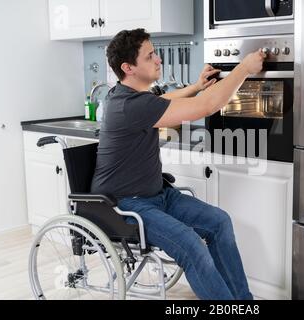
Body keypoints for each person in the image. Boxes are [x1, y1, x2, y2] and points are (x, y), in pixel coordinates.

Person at [91, 28, 266, 300]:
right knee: (192, 245)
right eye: (150, 56)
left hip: (158, 195)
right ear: (129, 67)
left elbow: (161, 102)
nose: (158, 60)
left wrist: (196, 87)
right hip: (126, 205)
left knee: (219, 222)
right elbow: (208, 106)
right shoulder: (129, 105)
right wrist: (244, 67)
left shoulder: (128, 96)